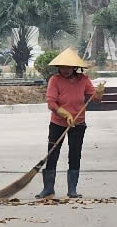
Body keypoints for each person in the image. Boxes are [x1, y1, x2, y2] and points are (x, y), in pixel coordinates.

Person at [39, 48, 105, 199]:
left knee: (75, 154)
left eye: (68, 67)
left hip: (78, 123)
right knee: (52, 154)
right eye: (62, 67)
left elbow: (94, 98)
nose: (65, 70)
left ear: (74, 67)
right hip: (58, 123)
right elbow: (51, 102)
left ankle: (72, 189)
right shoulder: (54, 80)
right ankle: (48, 189)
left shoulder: (83, 80)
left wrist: (99, 93)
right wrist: (65, 114)